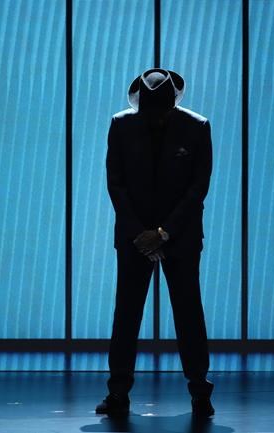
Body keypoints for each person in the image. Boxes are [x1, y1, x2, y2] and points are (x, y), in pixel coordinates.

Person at [95, 67, 214, 418]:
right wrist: (145, 233)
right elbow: (115, 183)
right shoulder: (123, 125)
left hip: (168, 236)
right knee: (128, 314)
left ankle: (195, 391)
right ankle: (122, 392)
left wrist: (159, 232)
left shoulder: (197, 127)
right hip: (150, 236)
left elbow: (199, 186)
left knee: (185, 313)